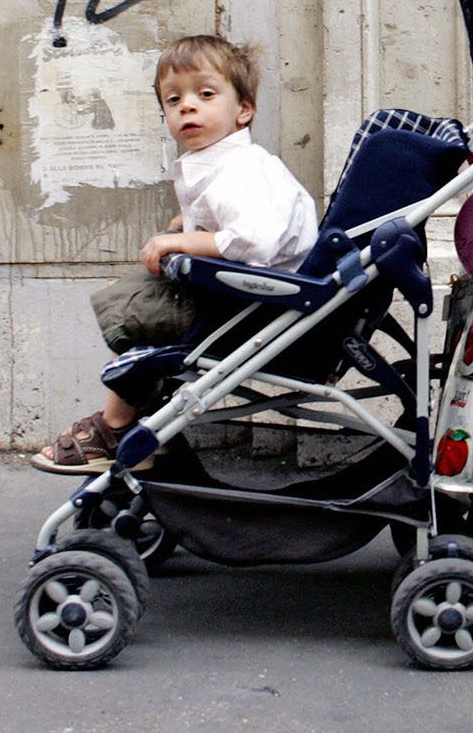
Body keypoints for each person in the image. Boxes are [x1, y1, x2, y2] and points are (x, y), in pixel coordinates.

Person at [31, 34, 318, 474]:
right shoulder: (218, 162)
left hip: (258, 306)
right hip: (251, 298)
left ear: (243, 110)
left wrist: (181, 242)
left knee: (139, 317)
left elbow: (255, 239)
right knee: (140, 303)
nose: (187, 106)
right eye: (173, 98)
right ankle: (144, 427)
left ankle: (116, 429)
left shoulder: (242, 169)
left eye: (205, 94)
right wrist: (186, 227)